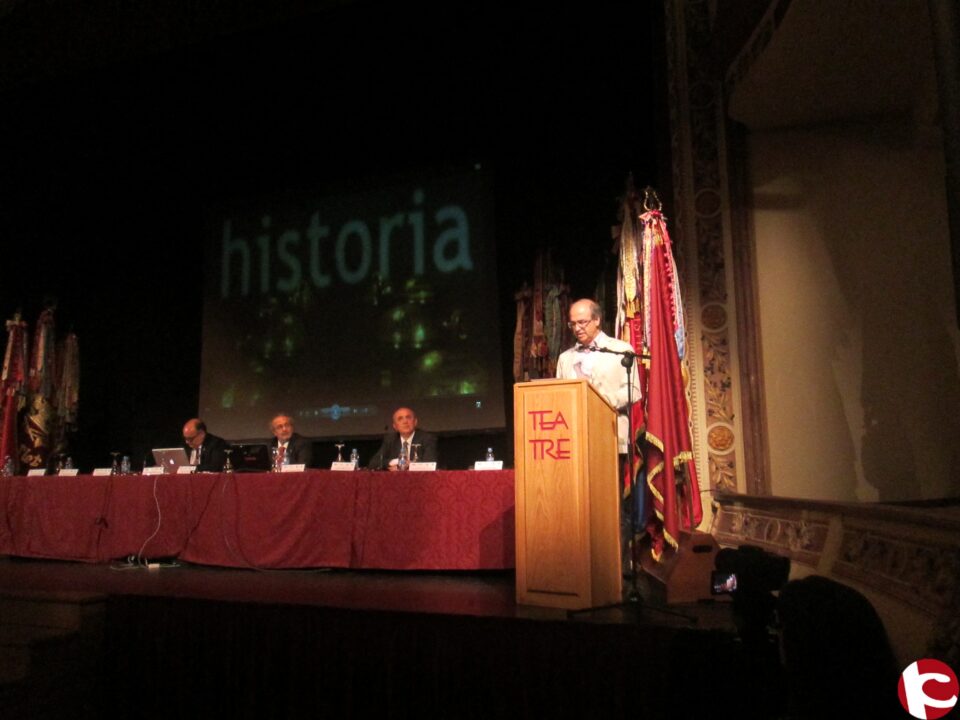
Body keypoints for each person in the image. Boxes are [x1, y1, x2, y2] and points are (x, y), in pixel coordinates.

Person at [556, 298, 641, 453]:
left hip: (611, 435)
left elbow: (633, 391)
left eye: (582, 322)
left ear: (597, 320)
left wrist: (599, 402)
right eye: (573, 324)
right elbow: (560, 398)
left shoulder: (621, 350)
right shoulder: (565, 358)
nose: (577, 328)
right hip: (575, 440)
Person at [367, 406, 438, 470]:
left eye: (408, 417)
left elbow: (430, 464)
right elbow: (374, 463)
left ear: (415, 422)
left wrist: (407, 466)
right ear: (395, 426)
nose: (405, 421)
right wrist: (394, 462)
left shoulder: (427, 438)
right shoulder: (390, 439)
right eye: (400, 419)